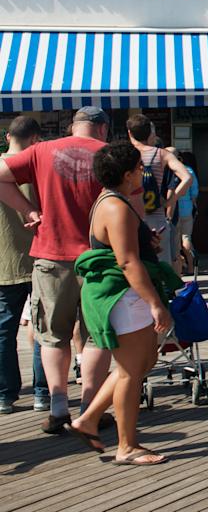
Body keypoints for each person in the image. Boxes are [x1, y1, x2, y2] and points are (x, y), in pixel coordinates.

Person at [64, 143, 180, 464]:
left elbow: (128, 251)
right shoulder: (116, 207)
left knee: (141, 364)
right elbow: (127, 262)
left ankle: (88, 419)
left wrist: (147, 243)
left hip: (124, 294)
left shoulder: (112, 201)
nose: (142, 173)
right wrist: (156, 303)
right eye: (138, 169)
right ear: (128, 174)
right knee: (131, 370)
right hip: (123, 296)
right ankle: (126, 446)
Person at [0, 106, 111, 433]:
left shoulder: (41, 151)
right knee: (96, 336)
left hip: (51, 256)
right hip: (98, 257)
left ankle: (58, 406)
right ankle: (90, 409)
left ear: (72, 126)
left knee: (52, 335)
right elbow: (130, 206)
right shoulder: (109, 154)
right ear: (102, 129)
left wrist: (30, 210)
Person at [0, 116, 40, 414]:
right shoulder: (36, 169)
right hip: (41, 258)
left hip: (5, 260)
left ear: (6, 137)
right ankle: (43, 393)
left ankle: (5, 394)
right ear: (34, 140)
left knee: (4, 331)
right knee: (43, 329)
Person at [126, 114, 193, 268]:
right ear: (151, 132)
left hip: (131, 217)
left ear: (130, 133)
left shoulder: (125, 153)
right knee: (161, 265)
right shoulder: (162, 154)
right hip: (156, 218)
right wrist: (170, 201)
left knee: (135, 264)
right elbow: (187, 177)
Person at [170, 150, 200, 273]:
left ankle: (180, 267)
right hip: (187, 208)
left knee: (175, 242)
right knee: (186, 238)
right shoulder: (188, 170)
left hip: (172, 209)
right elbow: (194, 192)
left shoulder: (168, 171)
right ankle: (192, 266)